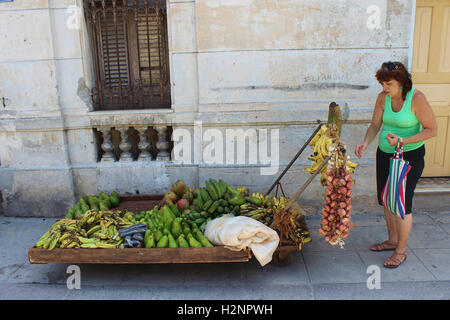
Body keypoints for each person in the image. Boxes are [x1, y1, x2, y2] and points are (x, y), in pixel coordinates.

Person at [355, 61, 437, 268]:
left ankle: (401, 250)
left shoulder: (416, 99)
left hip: (410, 157)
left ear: (401, 82)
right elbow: (375, 125)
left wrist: (402, 141)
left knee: (402, 204)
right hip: (385, 154)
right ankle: (392, 240)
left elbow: (431, 129)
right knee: (386, 199)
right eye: (382, 84)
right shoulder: (382, 98)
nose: (385, 88)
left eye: (388, 84)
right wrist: (365, 143)